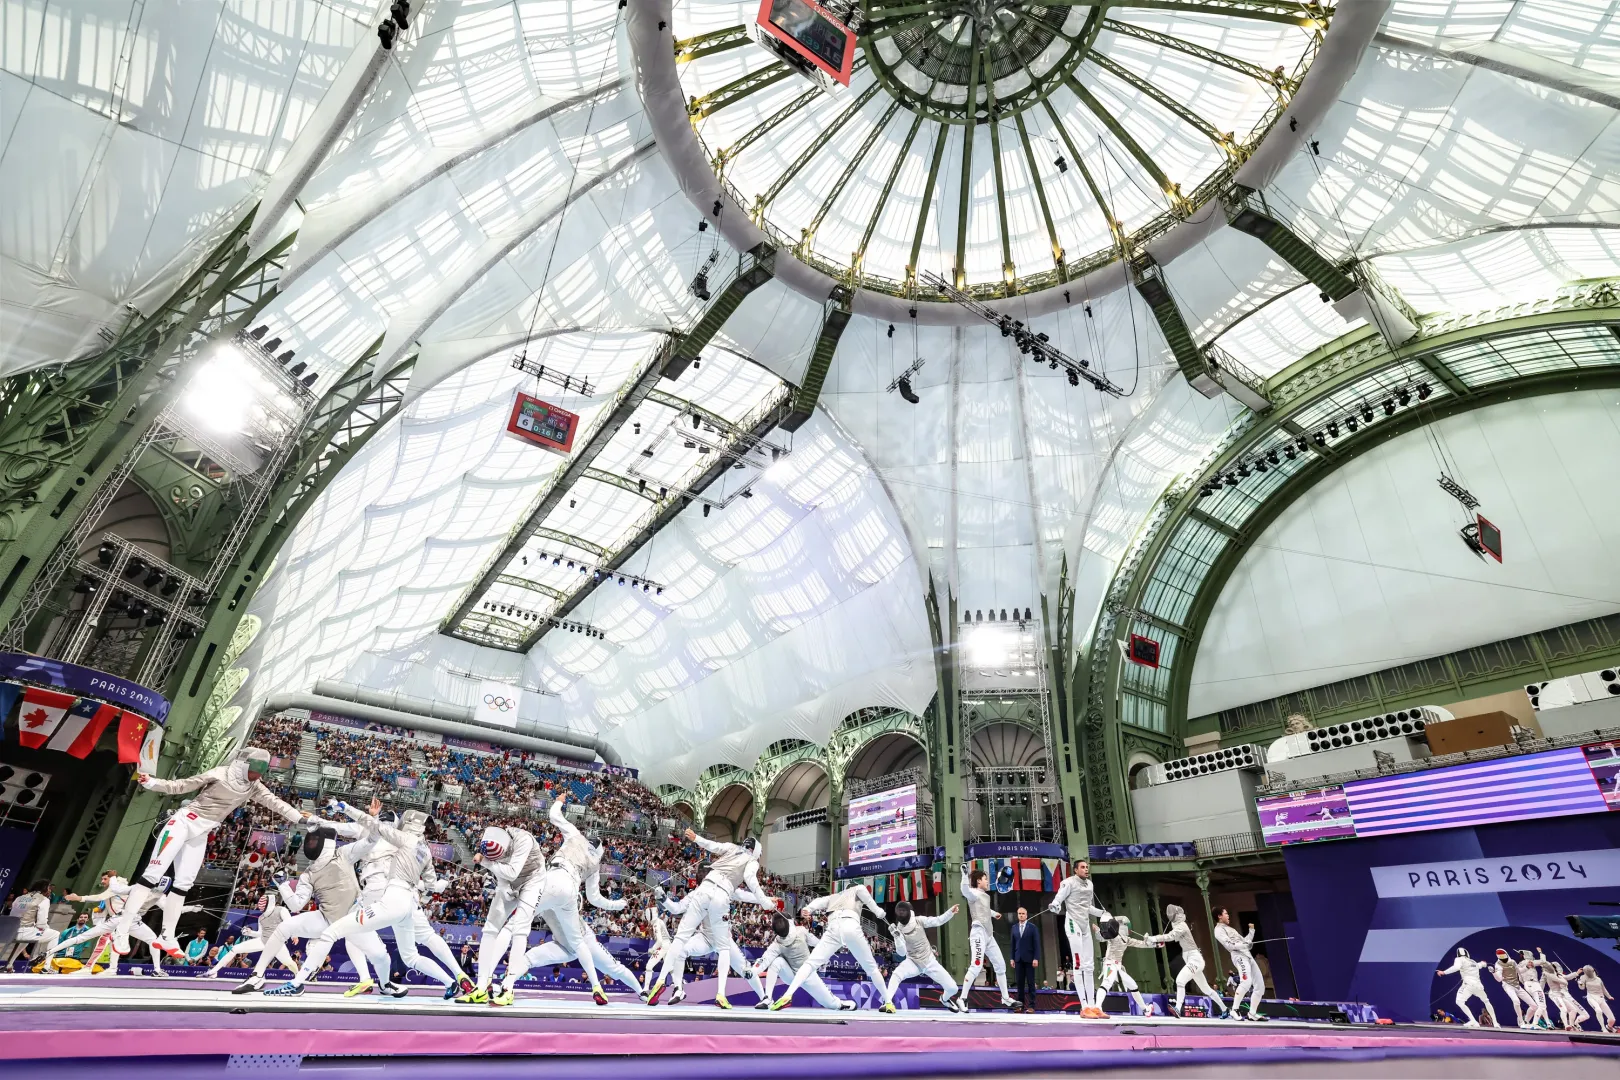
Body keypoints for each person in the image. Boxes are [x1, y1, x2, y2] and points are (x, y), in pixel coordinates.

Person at [113, 749, 311, 957]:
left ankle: (167, 935)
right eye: (254, 771)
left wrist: (300, 818)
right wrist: (153, 783)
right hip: (182, 823)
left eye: (260, 773)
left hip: (202, 832)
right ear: (245, 765)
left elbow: (275, 803)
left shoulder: (253, 787)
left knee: (183, 885)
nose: (257, 776)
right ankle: (122, 929)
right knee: (152, 875)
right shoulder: (220, 774)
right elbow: (182, 785)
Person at [269, 800, 446, 997]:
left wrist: (320, 817)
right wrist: (428, 889)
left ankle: (299, 983)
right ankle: (445, 980)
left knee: (340, 931)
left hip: (377, 890)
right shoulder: (398, 836)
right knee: (410, 945)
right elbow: (344, 826)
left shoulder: (379, 830)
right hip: (401, 892)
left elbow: (340, 826)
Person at [488, 795, 626, 1006]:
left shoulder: (575, 835)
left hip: (552, 878)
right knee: (578, 942)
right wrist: (618, 905)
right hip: (570, 892)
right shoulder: (595, 863)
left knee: (511, 927)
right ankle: (597, 987)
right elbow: (594, 899)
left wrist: (560, 800)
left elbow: (553, 815)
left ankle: (497, 983)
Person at [236, 825, 390, 996]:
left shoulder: (343, 854)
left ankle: (383, 985)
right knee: (284, 927)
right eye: (310, 841)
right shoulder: (308, 873)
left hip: (354, 918)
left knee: (380, 957)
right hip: (326, 918)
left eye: (315, 840)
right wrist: (284, 886)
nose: (311, 844)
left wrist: (374, 821)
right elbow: (296, 906)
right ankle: (257, 976)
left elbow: (370, 840)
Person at [647, 828, 774, 1009]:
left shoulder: (728, 853)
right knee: (695, 949)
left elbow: (713, 846)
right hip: (708, 935)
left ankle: (764, 997)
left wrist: (696, 837)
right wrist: (766, 902)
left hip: (711, 905)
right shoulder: (749, 862)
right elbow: (749, 884)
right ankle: (686, 989)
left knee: (682, 940)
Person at [456, 822, 546, 1003]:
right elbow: (504, 875)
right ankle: (481, 987)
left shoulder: (524, 840)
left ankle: (508, 988)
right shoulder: (490, 841)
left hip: (532, 881)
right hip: (508, 882)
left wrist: (485, 862)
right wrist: (503, 888)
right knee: (490, 928)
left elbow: (512, 872)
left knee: (520, 929)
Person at [771, 883, 896, 1013]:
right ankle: (888, 1002)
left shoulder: (833, 896)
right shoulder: (857, 889)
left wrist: (808, 908)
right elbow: (863, 891)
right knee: (871, 968)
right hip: (850, 925)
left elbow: (819, 901)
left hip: (833, 927)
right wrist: (878, 911)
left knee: (810, 964)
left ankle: (787, 995)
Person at [754, 909, 850, 1011]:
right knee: (776, 962)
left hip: (806, 976)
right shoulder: (795, 934)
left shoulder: (781, 941)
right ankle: (767, 998)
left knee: (832, 1004)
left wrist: (752, 971)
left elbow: (764, 960)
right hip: (793, 975)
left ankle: (843, 1005)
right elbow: (817, 943)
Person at [1143, 904, 1228, 1018]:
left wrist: (1154, 938)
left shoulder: (1182, 926)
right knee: (1206, 989)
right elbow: (1172, 938)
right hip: (1190, 958)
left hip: (1195, 959)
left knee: (1180, 981)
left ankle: (1178, 1008)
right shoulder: (1178, 926)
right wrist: (1156, 941)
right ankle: (1225, 1009)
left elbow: (1170, 936)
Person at [1048, 861, 1109, 1014]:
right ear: (1075, 870)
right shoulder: (1068, 882)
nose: (1086, 869)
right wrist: (1054, 905)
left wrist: (1102, 913)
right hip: (1073, 923)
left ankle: (1093, 1006)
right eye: (1082, 867)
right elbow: (1059, 898)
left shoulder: (1089, 885)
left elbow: (1088, 907)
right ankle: (1084, 1006)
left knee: (1090, 966)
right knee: (1078, 964)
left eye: (1087, 867)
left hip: (1085, 925)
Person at [955, 866, 1015, 1011]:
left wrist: (994, 914)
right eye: (985, 879)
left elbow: (984, 909)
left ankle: (1005, 998)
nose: (988, 881)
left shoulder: (983, 895)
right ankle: (962, 998)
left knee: (1000, 965)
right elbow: (964, 891)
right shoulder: (974, 893)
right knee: (976, 965)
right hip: (978, 933)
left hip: (989, 935)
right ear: (978, 881)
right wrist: (964, 875)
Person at [883, 901, 961, 1012]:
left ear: (909, 912)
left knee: (953, 988)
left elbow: (937, 920)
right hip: (913, 962)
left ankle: (944, 999)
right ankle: (887, 1002)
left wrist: (950, 912)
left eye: (903, 910)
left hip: (929, 962)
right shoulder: (898, 930)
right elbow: (901, 953)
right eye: (900, 910)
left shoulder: (919, 921)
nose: (901, 912)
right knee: (897, 974)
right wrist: (897, 937)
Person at [203, 892, 296, 978]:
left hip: (276, 943)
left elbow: (290, 923)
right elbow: (261, 934)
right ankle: (214, 971)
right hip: (263, 941)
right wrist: (250, 933)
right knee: (234, 949)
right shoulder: (261, 918)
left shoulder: (281, 910)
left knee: (288, 962)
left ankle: (298, 976)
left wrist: (294, 936)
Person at [1096, 915, 1157, 1016]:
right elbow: (1102, 937)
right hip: (1110, 964)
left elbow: (1141, 944)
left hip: (1118, 967)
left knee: (1133, 986)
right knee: (1106, 983)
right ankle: (1097, 1007)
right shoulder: (1113, 936)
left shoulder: (1126, 939)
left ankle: (1146, 1010)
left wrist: (1155, 944)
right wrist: (1099, 930)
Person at [1212, 908, 1265, 1021]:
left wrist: (1251, 932)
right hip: (1239, 956)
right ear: (1219, 916)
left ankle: (1252, 1013)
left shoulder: (1231, 929)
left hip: (1248, 955)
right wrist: (1244, 945)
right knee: (1246, 982)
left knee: (1260, 987)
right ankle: (1234, 1010)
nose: (1228, 915)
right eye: (1226, 913)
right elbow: (1230, 945)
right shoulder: (1218, 930)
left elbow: (1244, 941)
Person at [1436, 947, 1497, 1028]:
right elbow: (1480, 965)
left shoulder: (1459, 959)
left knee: (1459, 1001)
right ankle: (1496, 1023)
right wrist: (1484, 963)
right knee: (1486, 1001)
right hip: (1479, 986)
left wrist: (1444, 972)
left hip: (1468, 985)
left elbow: (1456, 967)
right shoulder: (1473, 962)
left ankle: (1473, 1021)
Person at [6, 880, 58, 966]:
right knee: (55, 934)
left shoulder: (20, 897)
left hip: (10, 931)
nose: (50, 891)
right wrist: (45, 928)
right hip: (23, 932)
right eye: (49, 888)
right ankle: (46, 966)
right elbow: (41, 924)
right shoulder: (44, 899)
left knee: (31, 934)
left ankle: (9, 964)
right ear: (44, 888)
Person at [1540, 958, 1589, 1031]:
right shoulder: (1550, 975)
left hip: (1561, 994)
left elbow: (1567, 977)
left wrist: (1577, 973)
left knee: (1573, 1010)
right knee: (1564, 1010)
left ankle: (1571, 1025)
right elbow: (1564, 980)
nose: (1559, 968)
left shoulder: (1559, 975)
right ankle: (1566, 1025)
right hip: (1556, 994)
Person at [1010, 906, 1041, 1013]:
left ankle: (1032, 1006)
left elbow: (1036, 944)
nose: (1021, 915)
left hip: (1030, 959)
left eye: (1023, 913)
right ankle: (1020, 1005)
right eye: (1019, 914)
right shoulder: (1014, 928)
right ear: (1017, 915)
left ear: (1026, 915)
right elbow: (1012, 944)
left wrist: (1036, 958)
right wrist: (1012, 958)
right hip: (1018, 959)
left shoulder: (1033, 928)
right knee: (1020, 983)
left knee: (1031, 983)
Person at [1492, 949, 1531, 1027]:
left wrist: (1527, 967)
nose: (1502, 957)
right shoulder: (1498, 964)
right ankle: (1521, 1022)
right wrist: (1494, 973)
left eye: (1503, 955)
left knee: (1534, 1006)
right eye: (1500, 956)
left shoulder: (1513, 961)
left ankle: (1526, 1021)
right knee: (1516, 1001)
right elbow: (1499, 979)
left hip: (1517, 986)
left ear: (1506, 954)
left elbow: (1519, 971)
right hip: (1507, 985)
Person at [1515, 949, 1551, 1029]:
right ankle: (1535, 1024)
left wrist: (1526, 982)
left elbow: (1520, 977)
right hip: (1534, 984)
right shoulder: (1530, 962)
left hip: (1527, 985)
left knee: (1534, 1005)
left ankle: (1526, 1022)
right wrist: (1541, 952)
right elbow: (1543, 961)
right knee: (1542, 1005)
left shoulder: (1519, 965)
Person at [1577, 965, 1616, 1032]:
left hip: (1601, 998)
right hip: (1591, 997)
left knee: (1612, 1019)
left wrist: (1609, 996)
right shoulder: (1583, 977)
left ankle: (1609, 1027)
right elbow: (1582, 988)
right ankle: (1603, 1028)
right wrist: (1580, 983)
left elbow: (1603, 989)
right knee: (1598, 1011)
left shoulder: (1598, 979)